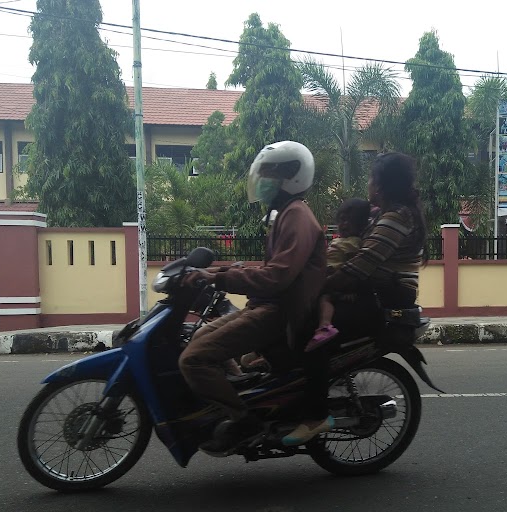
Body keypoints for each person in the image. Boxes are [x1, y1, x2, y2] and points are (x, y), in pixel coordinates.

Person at [178, 141, 327, 456]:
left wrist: (220, 277)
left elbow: (276, 277)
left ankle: (244, 420)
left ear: (292, 177)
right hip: (266, 305)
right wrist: (225, 270)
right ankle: (243, 392)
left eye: (270, 173)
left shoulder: (297, 216)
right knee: (199, 336)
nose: (263, 180)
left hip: (280, 313)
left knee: (193, 360)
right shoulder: (284, 214)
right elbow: (274, 270)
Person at [281, 152, 427, 447]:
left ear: (382, 186)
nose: (369, 184)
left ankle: (315, 415)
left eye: (373, 179)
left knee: (313, 331)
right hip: (370, 291)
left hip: (385, 298)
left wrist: (317, 286)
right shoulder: (381, 213)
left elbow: (361, 265)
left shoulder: (397, 217)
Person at [305, 198, 372, 352]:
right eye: (342, 220)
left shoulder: (355, 243)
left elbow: (353, 269)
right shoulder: (341, 241)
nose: (345, 224)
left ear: (361, 224)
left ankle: (325, 326)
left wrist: (348, 291)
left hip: (336, 285)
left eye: (350, 221)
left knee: (324, 299)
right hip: (327, 277)